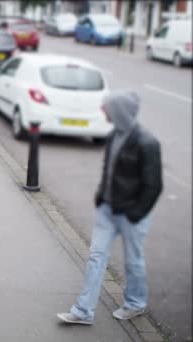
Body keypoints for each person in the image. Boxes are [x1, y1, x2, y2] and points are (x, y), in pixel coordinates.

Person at [57, 90, 163, 325]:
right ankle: (83, 311)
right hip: (108, 209)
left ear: (119, 111)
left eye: (106, 108)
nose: (103, 111)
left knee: (133, 261)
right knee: (96, 257)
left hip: (132, 213)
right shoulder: (114, 134)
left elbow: (153, 185)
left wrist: (135, 214)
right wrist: (101, 196)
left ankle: (135, 304)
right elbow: (110, 168)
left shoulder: (147, 142)